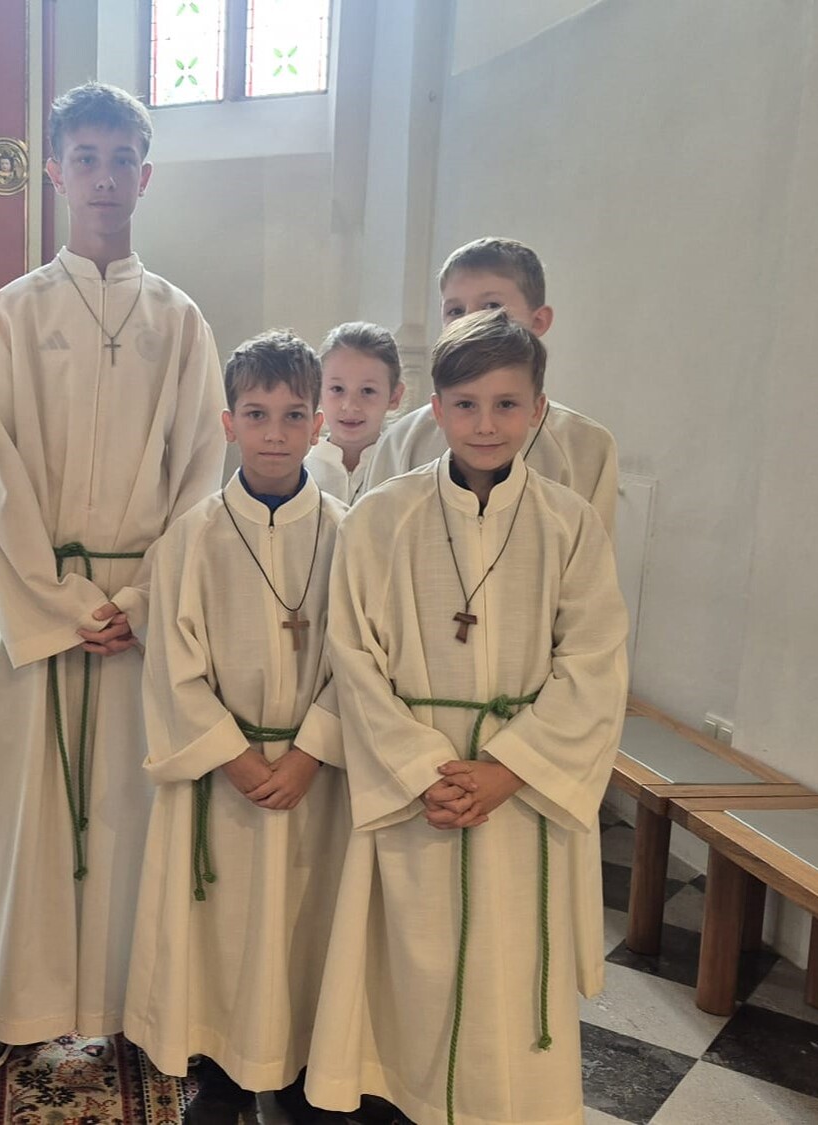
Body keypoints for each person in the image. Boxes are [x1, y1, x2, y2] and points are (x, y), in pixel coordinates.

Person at [0, 81, 226, 1078]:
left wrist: (144, 602)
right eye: (86, 159)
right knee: (21, 817)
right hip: (40, 607)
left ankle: (135, 1008)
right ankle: (4, 1001)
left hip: (141, 617)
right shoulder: (14, 314)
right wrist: (62, 604)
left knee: (131, 816)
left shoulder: (180, 320)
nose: (104, 178)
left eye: (121, 161)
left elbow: (201, 474)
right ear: (57, 174)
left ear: (144, 178)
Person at [305, 309, 628, 1125]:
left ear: (537, 409)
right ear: (436, 409)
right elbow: (354, 656)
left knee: (507, 971)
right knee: (406, 969)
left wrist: (508, 769)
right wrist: (422, 769)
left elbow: (594, 663)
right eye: (467, 404)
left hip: (517, 798)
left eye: (507, 404)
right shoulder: (383, 517)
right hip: (419, 790)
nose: (487, 423)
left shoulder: (569, 523)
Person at [124, 331, 350, 1125]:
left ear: (318, 425)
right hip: (226, 778)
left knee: (303, 924)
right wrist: (233, 756)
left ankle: (297, 1070)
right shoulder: (193, 536)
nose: (275, 433)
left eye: (293, 415)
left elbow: (363, 658)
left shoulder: (349, 533)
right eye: (257, 414)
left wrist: (312, 751)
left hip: (315, 778)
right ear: (229, 423)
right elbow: (170, 663)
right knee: (221, 928)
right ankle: (220, 1074)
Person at [363, 237, 618, 533]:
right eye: (455, 311)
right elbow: (373, 544)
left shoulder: (586, 448)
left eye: (492, 307)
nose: (471, 324)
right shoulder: (402, 442)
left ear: (538, 321)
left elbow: (593, 556)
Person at [304, 322, 404, 504]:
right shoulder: (299, 473)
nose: (350, 406)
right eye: (337, 389)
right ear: (317, 390)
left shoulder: (404, 474)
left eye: (367, 391)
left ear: (394, 396)